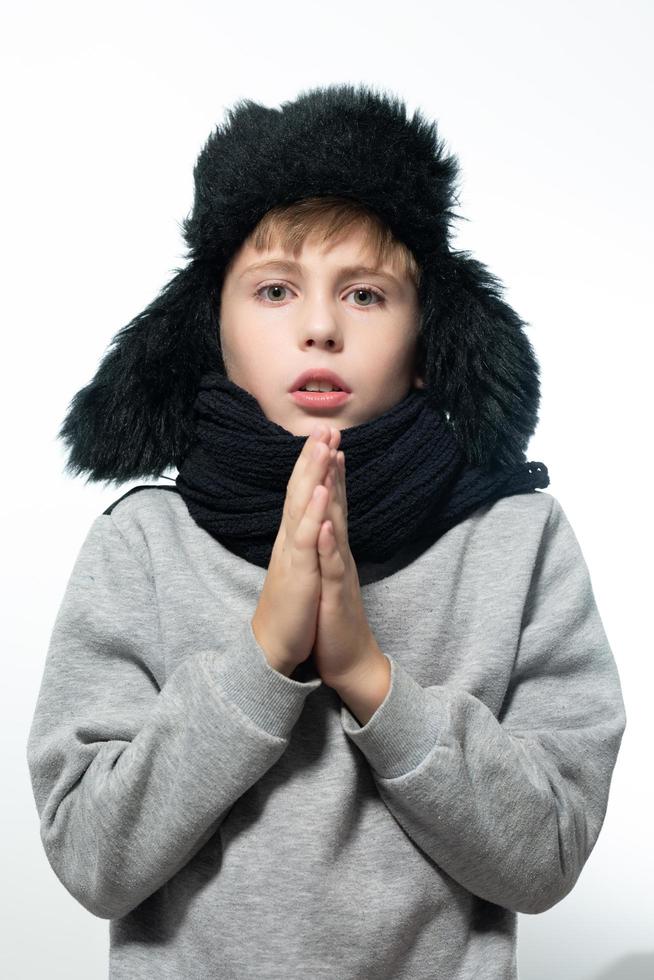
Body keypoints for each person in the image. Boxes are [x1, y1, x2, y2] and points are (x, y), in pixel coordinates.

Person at [26, 83, 627, 979]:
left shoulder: (517, 539)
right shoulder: (140, 546)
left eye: (366, 295)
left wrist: (366, 674)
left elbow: (546, 858)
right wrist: (264, 653)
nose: (318, 327)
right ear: (211, 330)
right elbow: (90, 858)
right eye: (274, 290)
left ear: (432, 341)